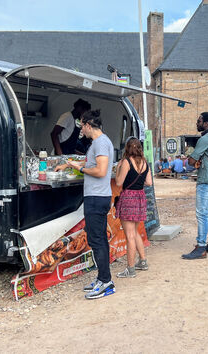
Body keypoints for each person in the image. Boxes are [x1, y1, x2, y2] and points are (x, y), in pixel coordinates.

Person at [62, 110, 116, 299]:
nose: (80, 130)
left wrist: (81, 168)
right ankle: (103, 279)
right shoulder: (101, 142)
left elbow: (101, 171)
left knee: (97, 240)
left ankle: (106, 281)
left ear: (87, 125)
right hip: (98, 196)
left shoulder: (100, 142)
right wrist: (72, 165)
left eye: (81, 126)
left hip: (97, 197)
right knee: (98, 238)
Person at [182, 112, 208, 259]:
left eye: (199, 121)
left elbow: (191, 161)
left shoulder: (205, 139)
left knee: (202, 214)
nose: (197, 123)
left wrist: (192, 160)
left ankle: (200, 247)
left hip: (205, 181)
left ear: (206, 123)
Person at [114, 137, 152, 278]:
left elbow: (118, 182)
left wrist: (118, 168)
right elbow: (148, 182)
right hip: (140, 197)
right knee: (135, 232)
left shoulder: (126, 162)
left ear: (127, 148)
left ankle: (130, 269)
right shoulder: (144, 162)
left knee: (129, 235)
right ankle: (142, 261)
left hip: (128, 198)